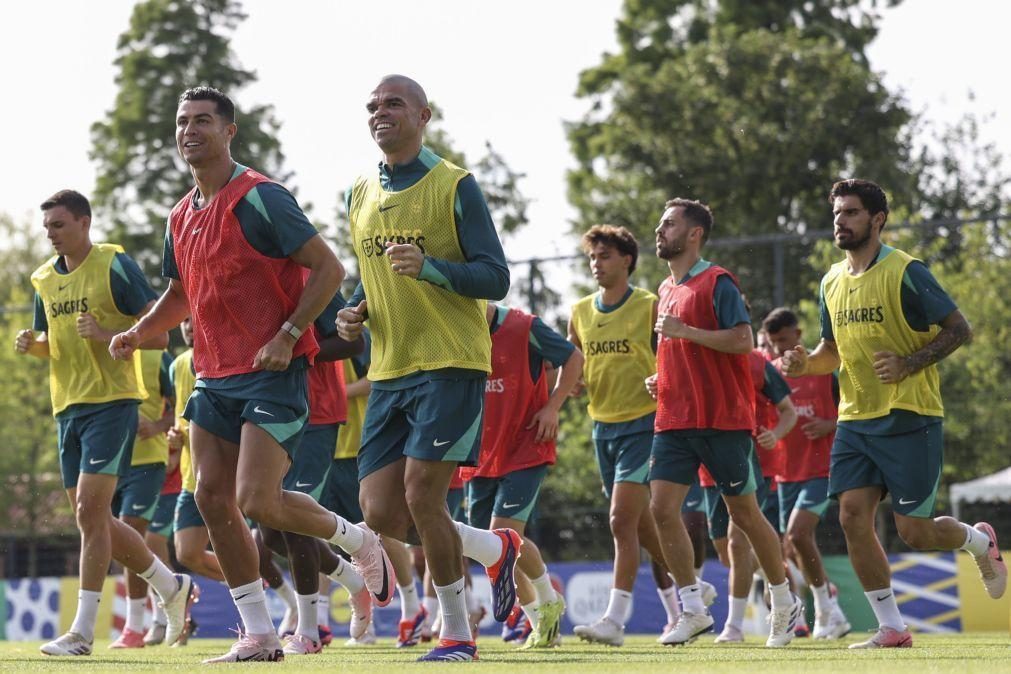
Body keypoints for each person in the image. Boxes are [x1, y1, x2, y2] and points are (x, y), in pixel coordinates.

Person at [109, 86, 391, 664]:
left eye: (203, 121)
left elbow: (328, 267)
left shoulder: (262, 198)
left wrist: (288, 335)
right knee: (213, 499)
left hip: (270, 375)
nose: (190, 130)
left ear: (229, 131)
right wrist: (140, 331)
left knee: (257, 500)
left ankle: (360, 541)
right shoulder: (180, 215)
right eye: (183, 121)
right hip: (214, 378)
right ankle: (259, 634)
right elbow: (179, 293)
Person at [335, 74, 517, 663]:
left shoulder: (455, 185)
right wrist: (355, 311)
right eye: (372, 106)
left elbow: (495, 277)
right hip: (389, 370)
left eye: (393, 104)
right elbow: (372, 275)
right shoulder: (358, 193)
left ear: (423, 115)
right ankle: (495, 549)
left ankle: (458, 633)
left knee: (422, 494)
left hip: (450, 363)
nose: (380, 113)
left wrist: (433, 268)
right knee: (378, 512)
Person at [781, 179, 1006, 648]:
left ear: (877, 219)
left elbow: (958, 329)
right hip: (855, 419)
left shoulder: (906, 271)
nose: (841, 222)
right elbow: (830, 352)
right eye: (837, 213)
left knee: (916, 534)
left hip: (910, 417)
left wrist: (909, 363)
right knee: (850, 515)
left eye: (852, 213)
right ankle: (892, 628)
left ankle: (977, 541)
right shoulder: (829, 281)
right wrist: (806, 365)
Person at [17, 189, 195, 656]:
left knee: (89, 514)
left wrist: (107, 334)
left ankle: (81, 632)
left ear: (84, 223)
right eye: (47, 227)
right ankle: (170, 584)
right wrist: (30, 344)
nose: (50, 234)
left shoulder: (113, 264)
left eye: (58, 225)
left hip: (113, 403)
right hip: (66, 409)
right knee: (90, 518)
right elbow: (49, 344)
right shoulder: (43, 280)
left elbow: (160, 333)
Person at [647, 197, 803, 648]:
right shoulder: (664, 289)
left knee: (746, 516)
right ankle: (693, 608)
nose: (661, 230)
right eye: (661, 223)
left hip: (723, 421)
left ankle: (783, 599)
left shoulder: (718, 281)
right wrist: (662, 377)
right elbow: (682, 349)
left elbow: (742, 340)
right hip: (674, 419)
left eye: (670, 224)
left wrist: (686, 333)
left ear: (694, 234)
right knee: (660, 509)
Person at [568, 225, 685, 646]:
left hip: (644, 423)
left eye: (604, 256)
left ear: (627, 261)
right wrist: (574, 384)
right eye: (592, 258)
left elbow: (674, 356)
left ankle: (614, 620)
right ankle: (686, 602)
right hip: (602, 426)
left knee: (620, 520)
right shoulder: (580, 310)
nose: (596, 265)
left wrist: (662, 376)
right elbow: (574, 359)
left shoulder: (650, 306)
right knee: (641, 527)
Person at [257, 291, 373, 655]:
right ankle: (355, 576)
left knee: (294, 526)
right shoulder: (250, 276)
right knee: (271, 535)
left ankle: (309, 631)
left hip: (318, 416)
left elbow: (353, 345)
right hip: (270, 412)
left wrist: (291, 347)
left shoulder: (314, 275)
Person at [462, 302, 583, 649]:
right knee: (492, 550)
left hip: (527, 446)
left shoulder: (523, 326)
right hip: (480, 455)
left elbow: (573, 358)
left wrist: (552, 407)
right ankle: (540, 621)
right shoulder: (456, 331)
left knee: (504, 536)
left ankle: (548, 599)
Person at [763, 307, 851, 639]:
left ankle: (826, 608)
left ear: (799, 336)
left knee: (799, 535)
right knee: (791, 545)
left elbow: (854, 408)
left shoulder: (823, 368)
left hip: (822, 467)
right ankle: (832, 612)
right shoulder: (769, 373)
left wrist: (830, 423)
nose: (777, 350)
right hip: (785, 472)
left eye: (783, 341)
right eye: (772, 343)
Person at [109, 347, 176, 649]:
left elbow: (182, 406)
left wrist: (159, 426)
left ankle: (134, 627)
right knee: (114, 539)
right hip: (108, 460)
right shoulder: (100, 348)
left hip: (148, 461)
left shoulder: (157, 355)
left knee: (131, 533)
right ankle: (175, 591)